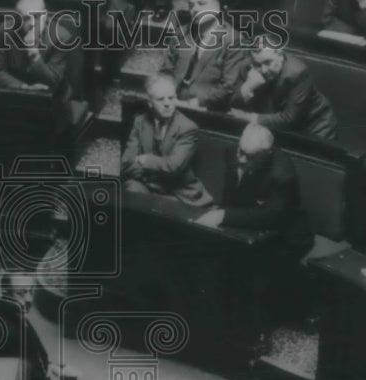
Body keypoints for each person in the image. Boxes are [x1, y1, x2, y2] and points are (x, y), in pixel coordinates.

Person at [197, 124, 313, 340]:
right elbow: (231, 194)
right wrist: (223, 213)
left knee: (252, 276)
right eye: (241, 151)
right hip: (246, 225)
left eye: (248, 156)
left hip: (287, 236)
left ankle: (252, 337)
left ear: (268, 153)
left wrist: (225, 216)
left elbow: (273, 216)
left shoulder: (283, 174)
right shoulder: (234, 152)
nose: (240, 159)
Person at [121, 73, 213, 207]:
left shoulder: (187, 127)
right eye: (160, 99)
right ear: (149, 102)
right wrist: (148, 174)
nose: (167, 104)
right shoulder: (140, 121)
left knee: (163, 210)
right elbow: (126, 162)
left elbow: (173, 166)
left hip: (178, 193)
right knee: (131, 189)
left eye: (171, 98)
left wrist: (145, 159)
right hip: (147, 185)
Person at [161, 0, 248, 110]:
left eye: (201, 4)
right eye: (191, 5)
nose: (195, 9)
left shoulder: (234, 39)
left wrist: (198, 102)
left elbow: (229, 86)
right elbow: (166, 70)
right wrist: (165, 95)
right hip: (172, 101)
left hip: (205, 107)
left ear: (217, 8)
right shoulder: (181, 33)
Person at [229, 41, 338, 140]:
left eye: (268, 62)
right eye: (257, 65)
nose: (263, 70)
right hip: (273, 125)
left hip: (314, 126)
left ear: (280, 55)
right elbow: (231, 103)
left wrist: (248, 117)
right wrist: (247, 87)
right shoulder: (246, 67)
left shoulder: (297, 73)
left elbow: (289, 118)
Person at [0, 0, 84, 102]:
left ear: (45, 15)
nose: (32, 23)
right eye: (26, 18)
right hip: (15, 93)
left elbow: (54, 81)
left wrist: (34, 52)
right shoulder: (3, 31)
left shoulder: (61, 37)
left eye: (36, 16)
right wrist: (25, 89)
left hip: (52, 96)